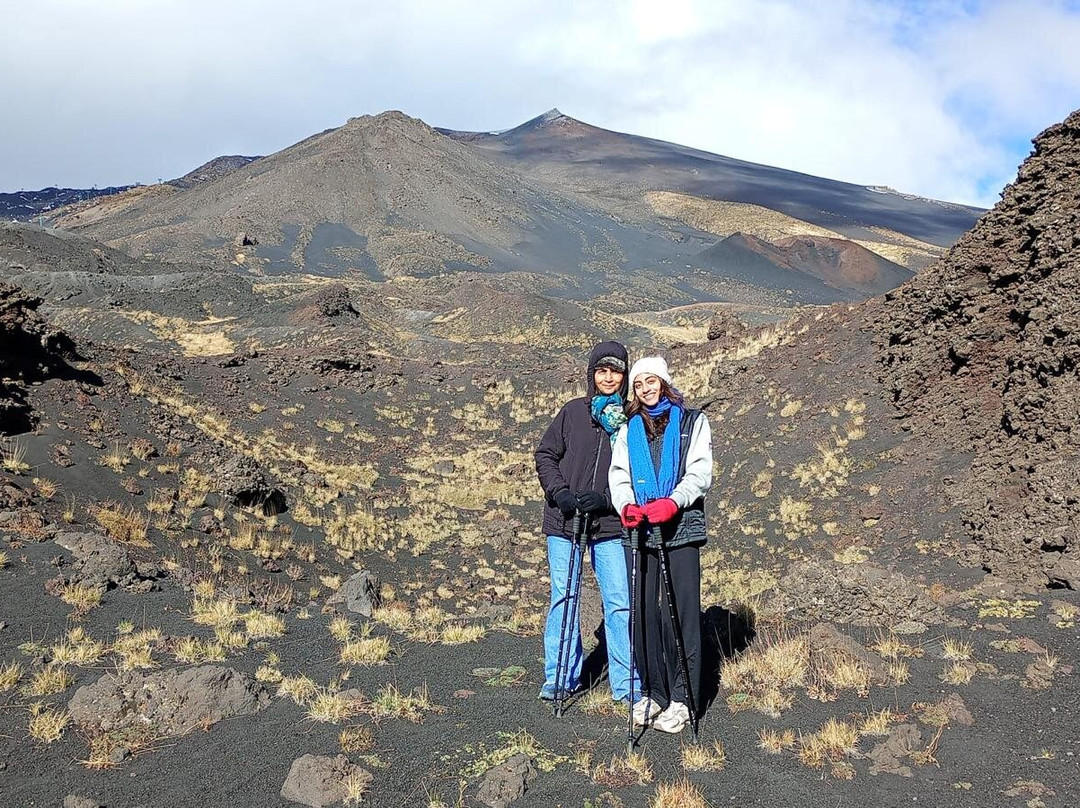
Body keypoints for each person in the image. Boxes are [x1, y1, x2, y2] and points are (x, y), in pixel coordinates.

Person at [608, 356, 713, 734]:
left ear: (664, 382)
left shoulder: (692, 422)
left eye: (651, 381)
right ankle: (652, 689)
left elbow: (701, 472)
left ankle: (684, 698)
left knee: (679, 613)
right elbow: (618, 474)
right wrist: (626, 506)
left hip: (680, 528)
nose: (645, 389)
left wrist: (674, 501)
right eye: (638, 384)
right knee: (642, 611)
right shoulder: (628, 429)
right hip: (639, 531)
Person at [534, 341, 633, 704]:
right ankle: (560, 678)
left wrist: (606, 500)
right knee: (565, 597)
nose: (608, 378)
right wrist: (560, 492)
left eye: (616, 371)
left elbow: (638, 475)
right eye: (601, 371)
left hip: (610, 525)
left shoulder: (631, 422)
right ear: (591, 374)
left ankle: (626, 685)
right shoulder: (573, 413)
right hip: (565, 521)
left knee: (620, 602)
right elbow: (546, 454)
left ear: (625, 375)